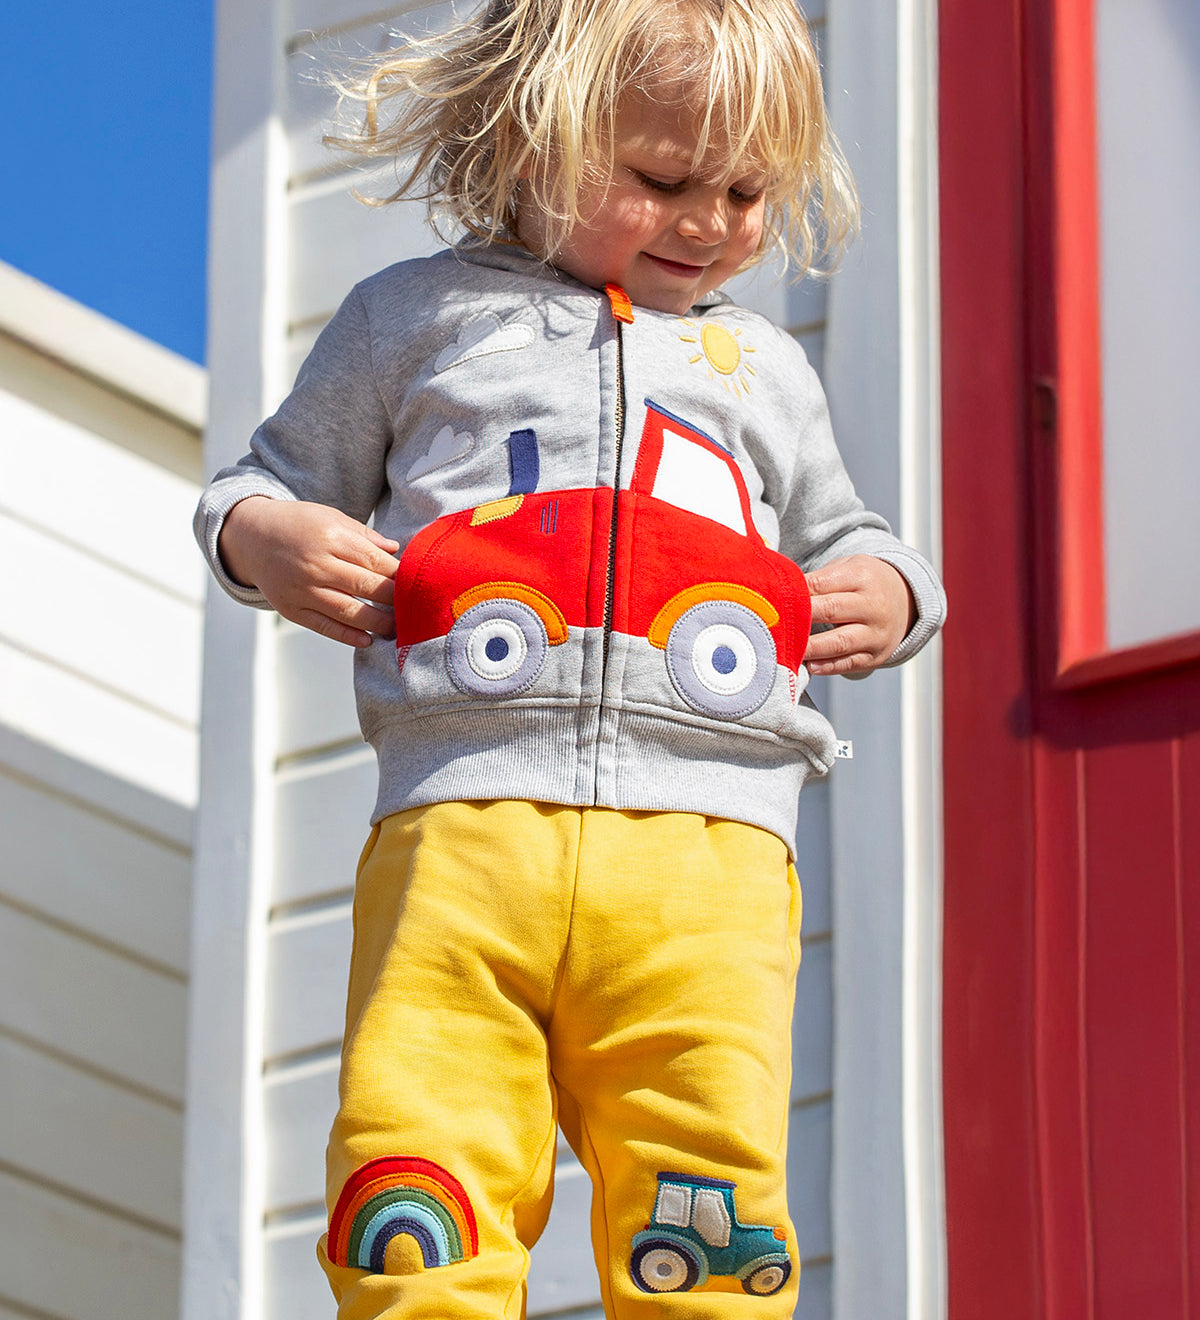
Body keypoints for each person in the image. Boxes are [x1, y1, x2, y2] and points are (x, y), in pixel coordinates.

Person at [194, 0, 946, 1315]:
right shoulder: (413, 320)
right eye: (660, 180)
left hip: (707, 861)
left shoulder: (762, 368)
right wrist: (271, 538)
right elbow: (256, 488)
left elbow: (854, 532)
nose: (708, 224)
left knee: (705, 1173)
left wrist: (892, 588)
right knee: (421, 1140)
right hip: (462, 842)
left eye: (748, 191)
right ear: (531, 138)